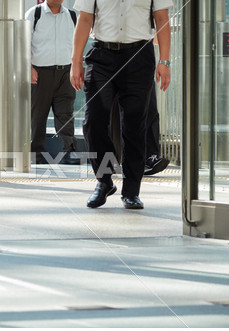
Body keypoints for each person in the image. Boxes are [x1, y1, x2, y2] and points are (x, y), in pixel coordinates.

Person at [70, 0, 172, 209]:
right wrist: (76, 61)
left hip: (139, 57)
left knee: (135, 125)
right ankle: (104, 181)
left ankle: (132, 191)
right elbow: (85, 19)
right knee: (93, 122)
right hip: (102, 57)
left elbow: (162, 19)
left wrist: (164, 61)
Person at [25, 0, 80, 165]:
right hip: (40, 72)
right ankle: (35, 155)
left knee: (66, 113)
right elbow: (23, 42)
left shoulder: (72, 16)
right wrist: (28, 67)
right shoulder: (34, 14)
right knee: (37, 115)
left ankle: (69, 151)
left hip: (66, 72)